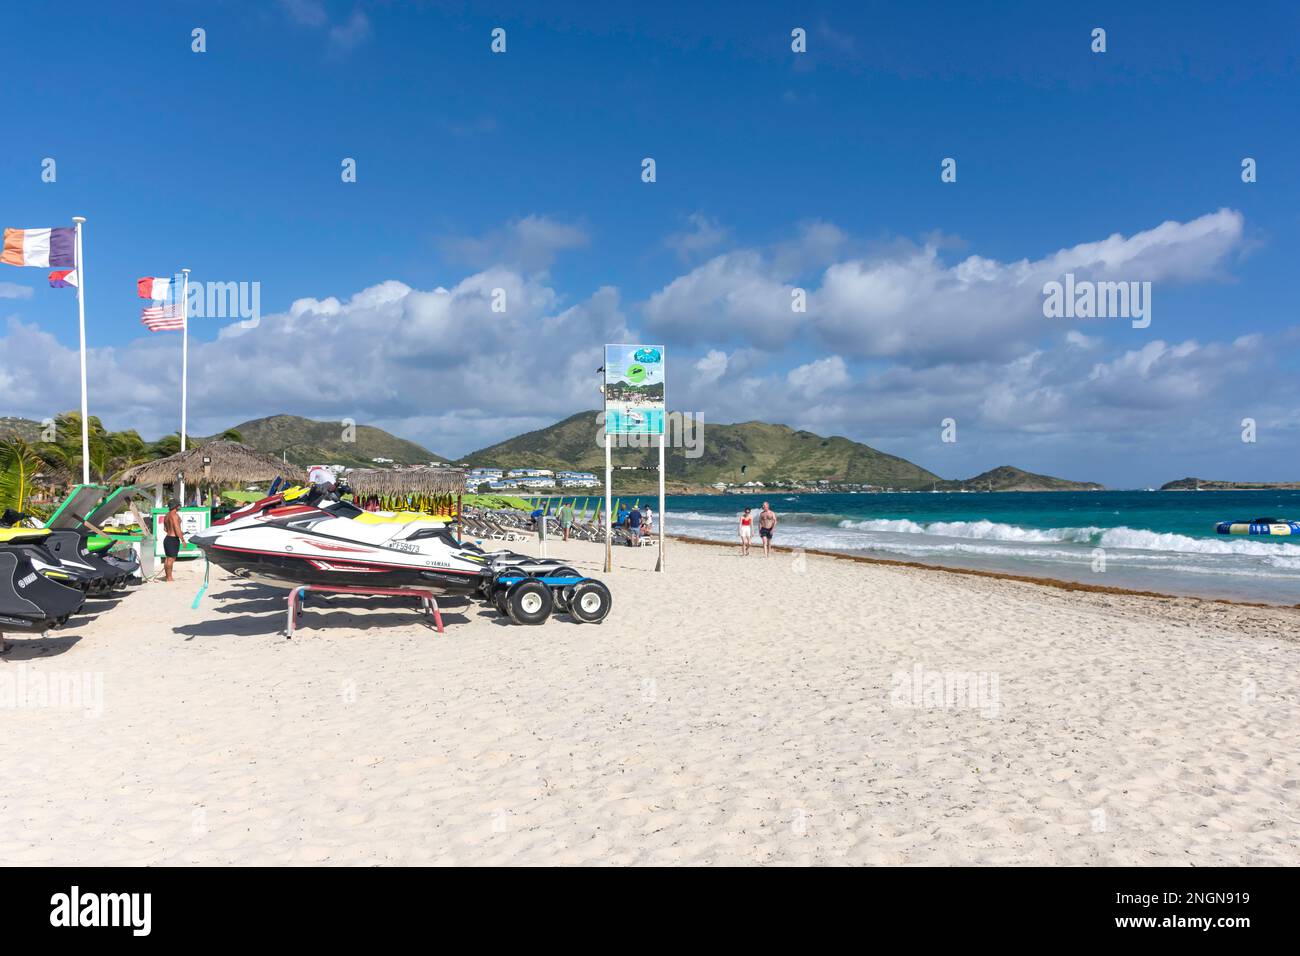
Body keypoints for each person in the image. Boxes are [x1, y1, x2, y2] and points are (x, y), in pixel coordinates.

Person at [162, 500, 185, 582]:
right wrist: (183, 540)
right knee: (171, 559)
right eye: (179, 505)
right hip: (173, 539)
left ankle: (168, 577)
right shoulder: (174, 515)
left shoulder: (167, 515)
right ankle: (169, 578)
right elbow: (177, 529)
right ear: (176, 506)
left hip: (167, 538)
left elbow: (165, 529)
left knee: (168, 559)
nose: (180, 506)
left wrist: (174, 532)